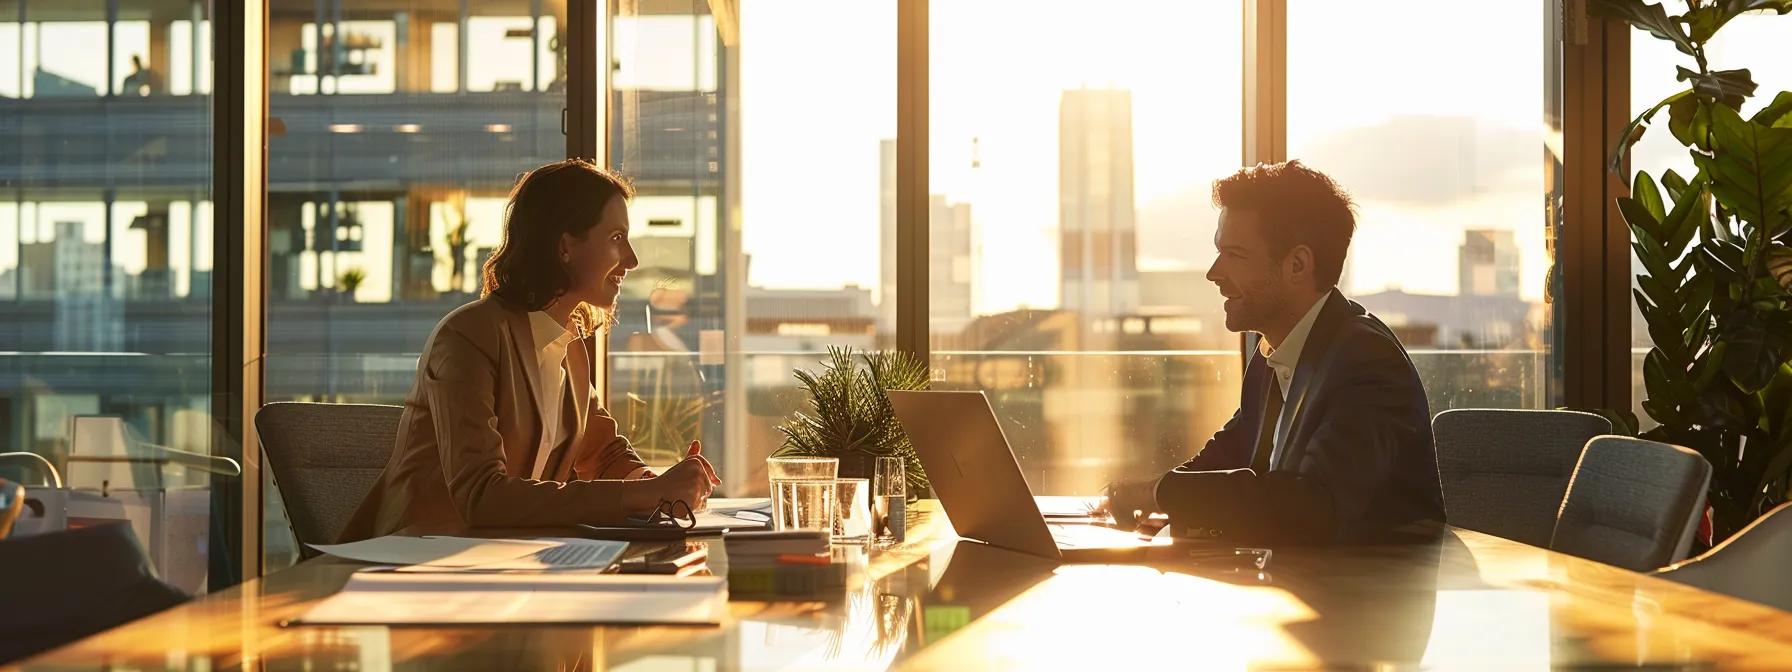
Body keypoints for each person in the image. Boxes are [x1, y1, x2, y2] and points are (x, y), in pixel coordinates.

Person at [339, 159, 719, 541]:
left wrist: (658, 483)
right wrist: (643, 494)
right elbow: (482, 495)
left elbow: (603, 454)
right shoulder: (469, 335)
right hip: (417, 561)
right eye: (616, 238)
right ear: (566, 246)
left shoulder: (568, 346)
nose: (632, 260)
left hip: (503, 559)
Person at [1102, 160, 1443, 544]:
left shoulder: (1367, 363)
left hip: (1375, 593)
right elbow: (1228, 454)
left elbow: (1312, 506)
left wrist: (1160, 494)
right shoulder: (1275, 354)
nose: (1214, 273)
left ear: (1297, 265)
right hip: (1311, 583)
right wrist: (1149, 496)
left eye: (1235, 254)